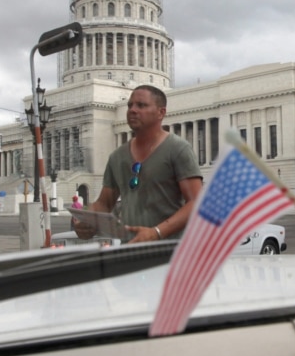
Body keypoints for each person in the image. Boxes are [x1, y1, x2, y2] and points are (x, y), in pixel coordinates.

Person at [77, 85, 202, 243]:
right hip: (131, 252)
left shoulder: (178, 149)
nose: (132, 110)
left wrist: (157, 232)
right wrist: (88, 221)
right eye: (130, 105)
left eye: (141, 105)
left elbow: (196, 202)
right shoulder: (117, 156)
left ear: (161, 112)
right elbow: (104, 202)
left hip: (171, 252)